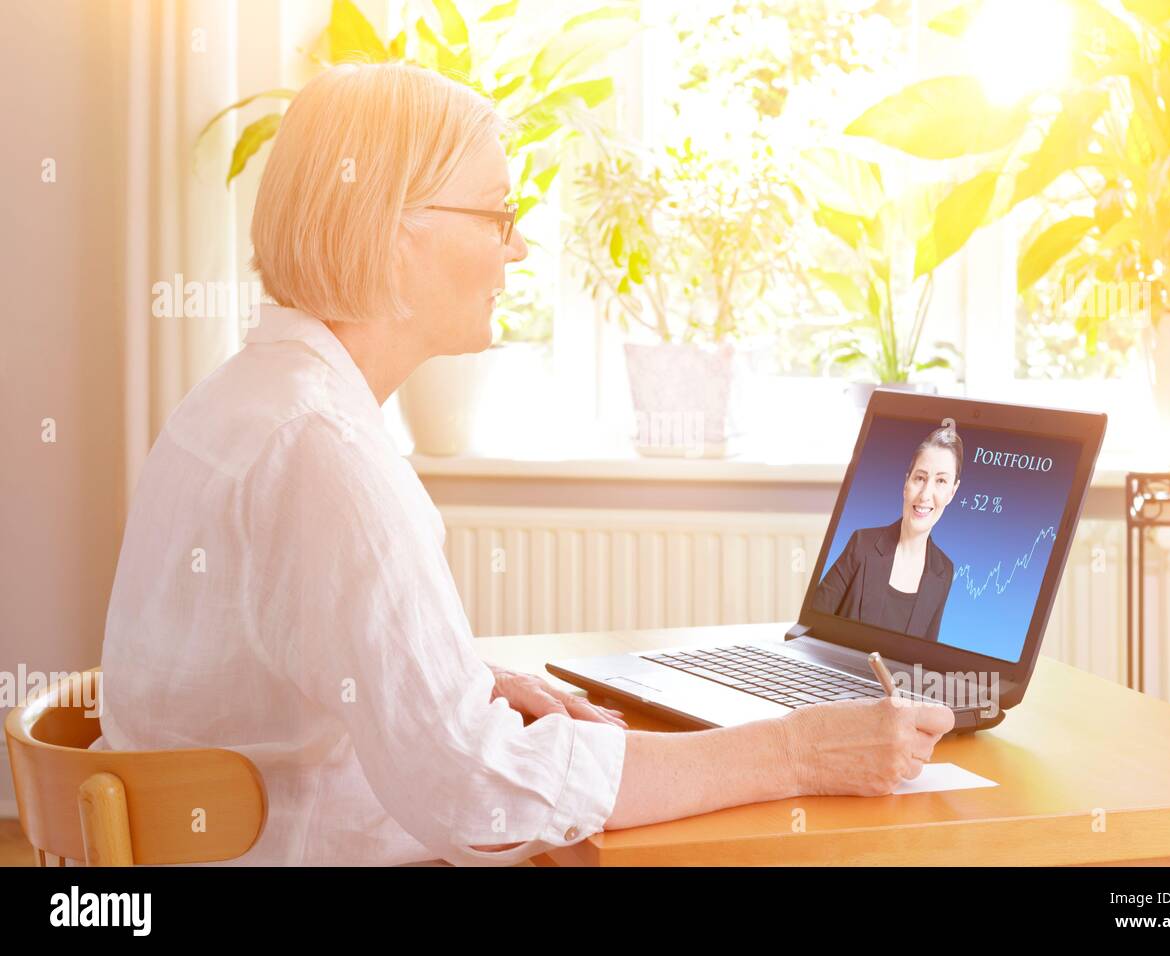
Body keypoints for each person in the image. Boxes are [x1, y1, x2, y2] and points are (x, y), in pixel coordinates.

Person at [97, 63, 954, 867]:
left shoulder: (243, 401)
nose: (519, 250)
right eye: (499, 215)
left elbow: (299, 666)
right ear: (398, 231)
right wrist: (796, 752)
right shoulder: (324, 451)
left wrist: (467, 684)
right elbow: (481, 793)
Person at [811, 419, 963, 641]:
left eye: (941, 481)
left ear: (952, 492)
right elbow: (811, 625)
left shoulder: (944, 571)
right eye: (920, 478)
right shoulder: (862, 544)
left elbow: (926, 657)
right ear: (906, 484)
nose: (925, 494)